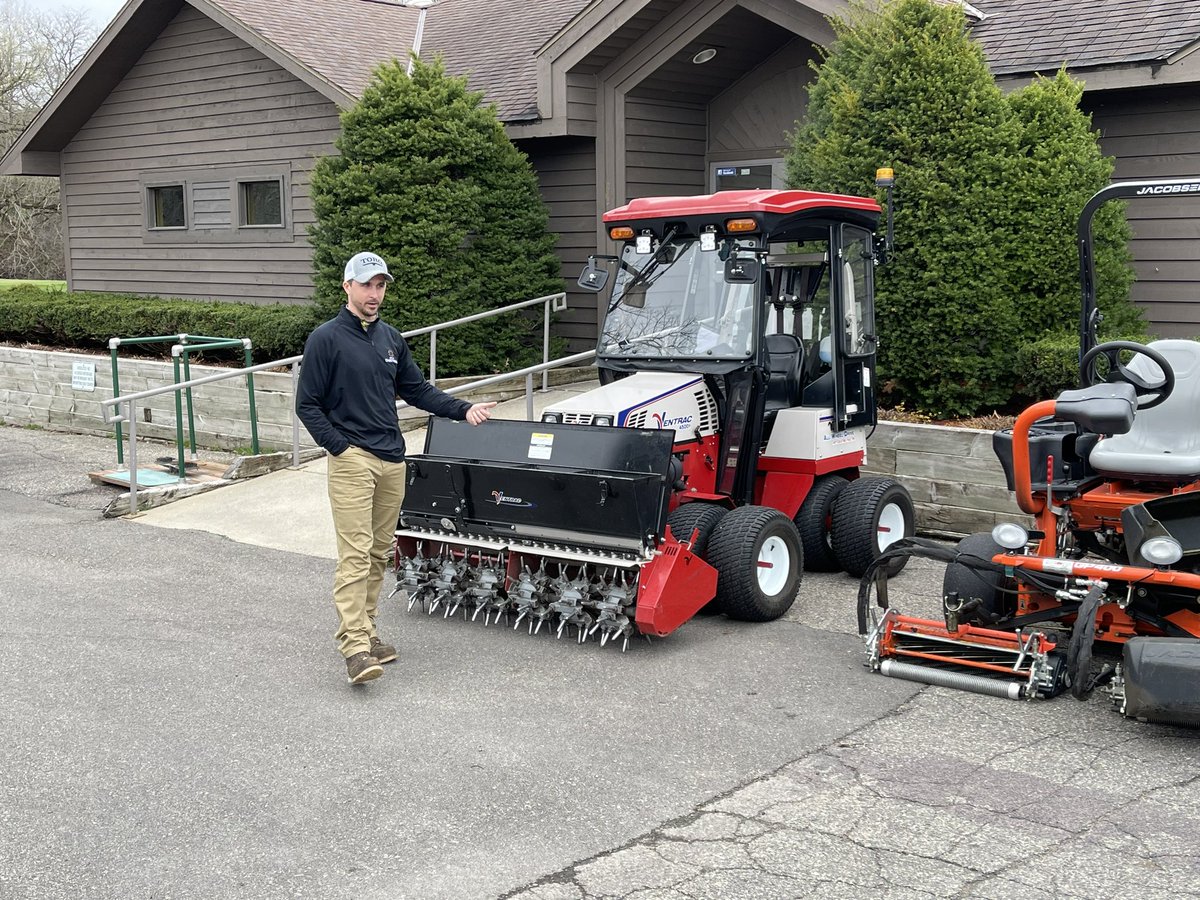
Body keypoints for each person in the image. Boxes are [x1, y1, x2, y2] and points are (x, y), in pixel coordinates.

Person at [296, 251, 495, 685]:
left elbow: (417, 390)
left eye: (380, 285)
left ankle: (367, 631)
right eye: (366, 285)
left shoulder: (390, 339)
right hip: (353, 460)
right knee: (354, 555)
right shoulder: (325, 339)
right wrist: (339, 448)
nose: (374, 293)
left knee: (377, 553)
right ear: (347, 286)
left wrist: (464, 409)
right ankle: (355, 649)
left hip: (392, 459)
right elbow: (307, 404)